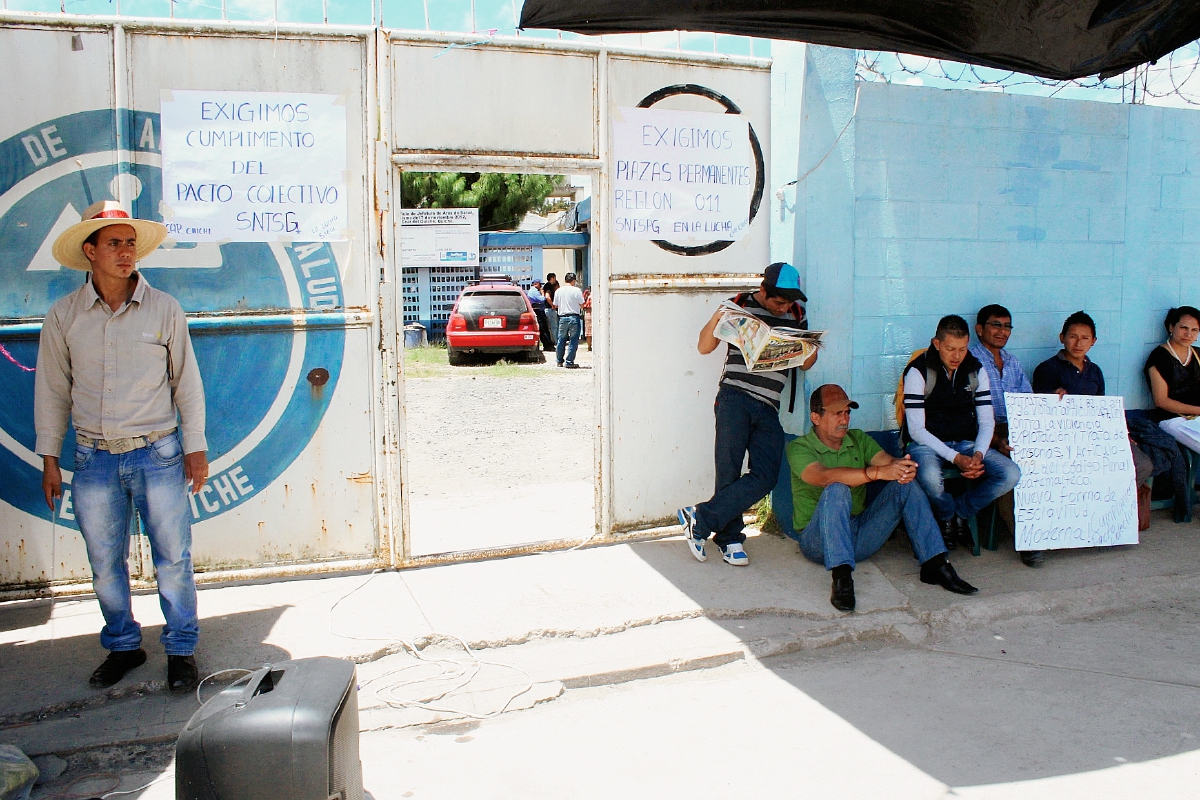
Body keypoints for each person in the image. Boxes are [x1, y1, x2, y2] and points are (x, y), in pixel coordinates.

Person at [35, 201, 208, 693]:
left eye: (130, 243)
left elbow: (186, 385)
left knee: (173, 557)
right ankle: (124, 645)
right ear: (90, 251)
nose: (126, 252)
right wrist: (51, 459)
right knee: (104, 561)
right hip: (93, 457)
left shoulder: (164, 308)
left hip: (159, 452)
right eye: (114, 243)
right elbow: (51, 390)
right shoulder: (65, 315)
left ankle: (181, 649)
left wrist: (195, 448)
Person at [789, 385, 978, 610]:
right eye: (837, 413)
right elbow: (821, 476)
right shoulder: (798, 447)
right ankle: (842, 579)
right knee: (837, 487)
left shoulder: (857, 438)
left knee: (904, 485)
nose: (845, 419)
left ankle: (935, 564)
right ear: (815, 417)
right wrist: (875, 473)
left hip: (859, 534)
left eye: (847, 412)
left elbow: (885, 461)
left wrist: (902, 468)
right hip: (818, 541)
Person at [677, 262, 817, 566]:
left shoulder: (796, 315)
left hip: (768, 405)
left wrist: (808, 345)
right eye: (778, 301)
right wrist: (720, 314)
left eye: (789, 301)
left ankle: (699, 517)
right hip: (734, 398)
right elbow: (704, 347)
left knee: (766, 475)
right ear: (763, 290)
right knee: (728, 470)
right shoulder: (741, 304)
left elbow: (806, 364)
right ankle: (729, 539)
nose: (784, 307)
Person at [1030, 311, 1155, 565]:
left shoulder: (1095, 371)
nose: (1078, 343)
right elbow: (1037, 411)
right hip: (1061, 441)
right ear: (1062, 337)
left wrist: (1121, 435)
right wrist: (1053, 397)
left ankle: (1100, 519)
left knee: (1142, 464)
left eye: (1085, 338)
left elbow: (1102, 410)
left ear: (1093, 342)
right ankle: (1052, 532)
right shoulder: (1047, 369)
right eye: (1073, 337)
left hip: (1095, 438)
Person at [903, 314, 1021, 550]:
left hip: (966, 442)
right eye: (950, 349)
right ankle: (946, 515)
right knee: (931, 479)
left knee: (1011, 474)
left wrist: (977, 454)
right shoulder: (918, 371)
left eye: (962, 349)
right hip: (926, 444)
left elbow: (987, 421)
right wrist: (955, 458)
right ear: (936, 344)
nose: (957, 356)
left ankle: (961, 512)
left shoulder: (976, 370)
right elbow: (916, 430)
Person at [968, 304, 1031, 540]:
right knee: (1008, 461)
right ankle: (1024, 537)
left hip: (1016, 426)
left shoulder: (1012, 361)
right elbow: (969, 413)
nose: (1002, 331)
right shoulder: (969, 360)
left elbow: (1028, 402)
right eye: (996, 325)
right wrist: (994, 440)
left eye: (1007, 326)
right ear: (980, 329)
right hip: (985, 429)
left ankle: (1052, 528)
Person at [1144, 306, 1200, 454]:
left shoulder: (1198, 354)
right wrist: (1198, 410)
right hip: (1174, 420)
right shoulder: (1159, 357)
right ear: (1171, 327)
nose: (1188, 334)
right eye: (1183, 327)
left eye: (1194, 330)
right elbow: (1161, 401)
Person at [554, 272, 585, 369]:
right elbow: (582, 304)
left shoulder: (558, 291)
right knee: (573, 340)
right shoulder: (576, 290)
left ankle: (559, 361)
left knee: (561, 339)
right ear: (574, 281)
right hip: (574, 317)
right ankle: (569, 361)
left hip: (562, 317)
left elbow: (555, 305)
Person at [527, 279, 554, 351]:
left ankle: (547, 345)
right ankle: (548, 345)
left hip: (539, 311)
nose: (541, 286)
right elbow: (542, 300)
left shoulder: (533, 291)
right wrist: (543, 293)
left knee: (544, 329)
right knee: (544, 329)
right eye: (540, 284)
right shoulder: (534, 291)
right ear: (536, 284)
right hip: (538, 312)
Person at [543, 273, 560, 346]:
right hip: (550, 309)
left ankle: (553, 341)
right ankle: (556, 341)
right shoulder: (549, 286)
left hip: (548, 309)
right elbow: (547, 296)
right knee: (554, 326)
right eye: (555, 278)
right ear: (552, 278)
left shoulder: (546, 286)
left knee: (551, 327)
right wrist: (552, 305)